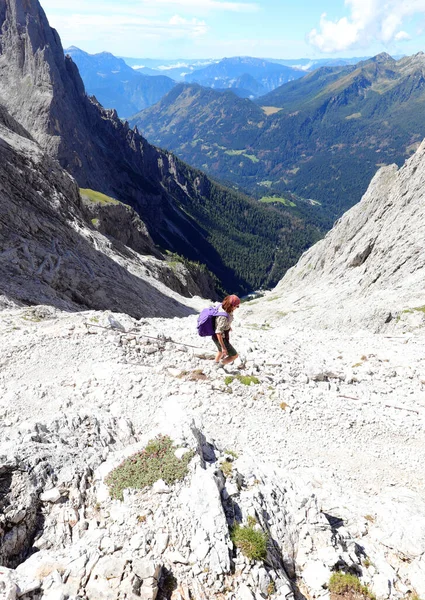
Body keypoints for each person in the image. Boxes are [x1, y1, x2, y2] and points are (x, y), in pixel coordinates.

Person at [212, 295, 240, 367]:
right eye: (237, 306)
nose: (237, 308)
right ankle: (220, 365)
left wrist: (228, 326)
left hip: (214, 337)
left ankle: (215, 363)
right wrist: (224, 347)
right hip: (221, 338)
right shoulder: (223, 317)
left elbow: (219, 324)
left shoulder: (222, 306)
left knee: (220, 351)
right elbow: (218, 332)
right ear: (231, 305)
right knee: (234, 355)